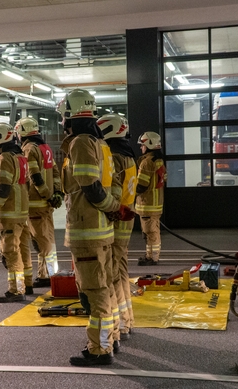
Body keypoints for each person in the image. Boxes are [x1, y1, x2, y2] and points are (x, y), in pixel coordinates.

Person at [58, 89, 133, 367]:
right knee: (105, 287)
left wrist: (113, 207)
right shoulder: (101, 144)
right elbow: (105, 186)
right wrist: (116, 208)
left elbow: (90, 188)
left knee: (95, 292)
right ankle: (109, 339)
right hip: (101, 231)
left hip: (87, 232)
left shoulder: (80, 143)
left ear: (70, 113)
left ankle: (100, 349)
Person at [97, 114, 137, 340]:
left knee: (111, 275)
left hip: (116, 220)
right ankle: (127, 320)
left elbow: (111, 191)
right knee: (121, 271)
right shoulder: (129, 155)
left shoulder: (113, 155)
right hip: (127, 220)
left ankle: (119, 325)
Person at [14, 116, 62, 290]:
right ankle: (48, 273)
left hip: (35, 202)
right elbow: (55, 172)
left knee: (41, 241)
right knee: (47, 238)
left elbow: (34, 176)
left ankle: (48, 275)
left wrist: (47, 194)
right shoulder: (45, 147)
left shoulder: (28, 149)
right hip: (46, 204)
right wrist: (56, 192)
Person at [0, 123, 30, 303]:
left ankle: (16, 290)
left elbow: (3, 188)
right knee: (22, 249)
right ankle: (26, 283)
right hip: (22, 213)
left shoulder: (4, 158)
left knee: (10, 252)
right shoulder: (20, 157)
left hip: (9, 213)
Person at [135, 131, 166, 266]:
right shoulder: (159, 161)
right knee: (151, 232)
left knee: (150, 233)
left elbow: (141, 185)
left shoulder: (147, 162)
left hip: (147, 204)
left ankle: (153, 258)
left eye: (142, 145)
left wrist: (130, 192)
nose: (141, 148)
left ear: (149, 144)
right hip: (156, 204)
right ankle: (150, 256)